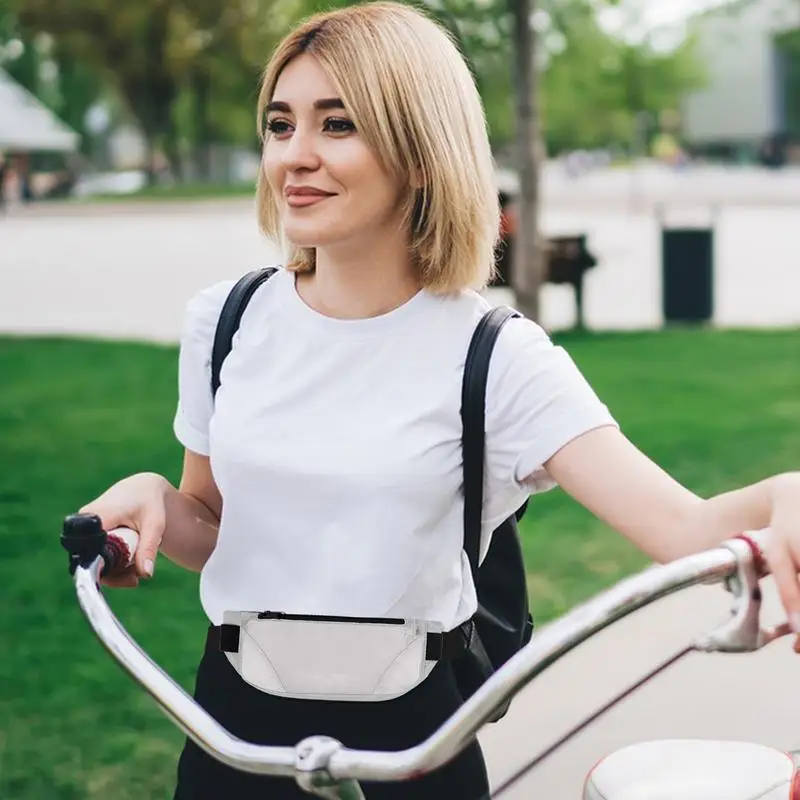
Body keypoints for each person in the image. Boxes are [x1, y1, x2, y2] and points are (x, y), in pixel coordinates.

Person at [79, 3, 800, 798]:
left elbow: (686, 530)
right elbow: (211, 532)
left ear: (421, 153)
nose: (295, 156)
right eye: (280, 125)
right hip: (232, 732)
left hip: (418, 740)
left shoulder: (497, 355)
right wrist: (155, 498)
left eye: (338, 124)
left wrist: (788, 494)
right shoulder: (225, 320)